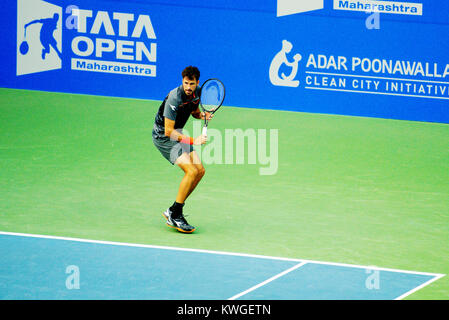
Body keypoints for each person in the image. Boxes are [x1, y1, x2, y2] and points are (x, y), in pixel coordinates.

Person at [152, 66, 212, 233]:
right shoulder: (174, 98)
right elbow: (168, 132)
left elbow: (194, 111)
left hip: (178, 133)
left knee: (200, 170)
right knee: (191, 171)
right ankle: (176, 214)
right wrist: (195, 140)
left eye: (191, 84)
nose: (188, 87)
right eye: (185, 83)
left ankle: (174, 210)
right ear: (182, 81)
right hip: (163, 137)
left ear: (197, 83)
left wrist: (202, 116)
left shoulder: (197, 92)